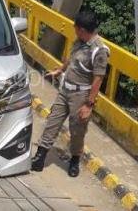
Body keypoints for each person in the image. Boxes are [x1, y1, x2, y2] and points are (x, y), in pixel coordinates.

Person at [31, 11, 109, 177]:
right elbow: (71, 58)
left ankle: (74, 160)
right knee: (53, 122)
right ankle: (40, 157)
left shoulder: (99, 50)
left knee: (77, 130)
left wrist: (89, 105)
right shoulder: (79, 41)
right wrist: (60, 70)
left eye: (75, 29)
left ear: (81, 29)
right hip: (65, 90)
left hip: (81, 96)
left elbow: (98, 78)